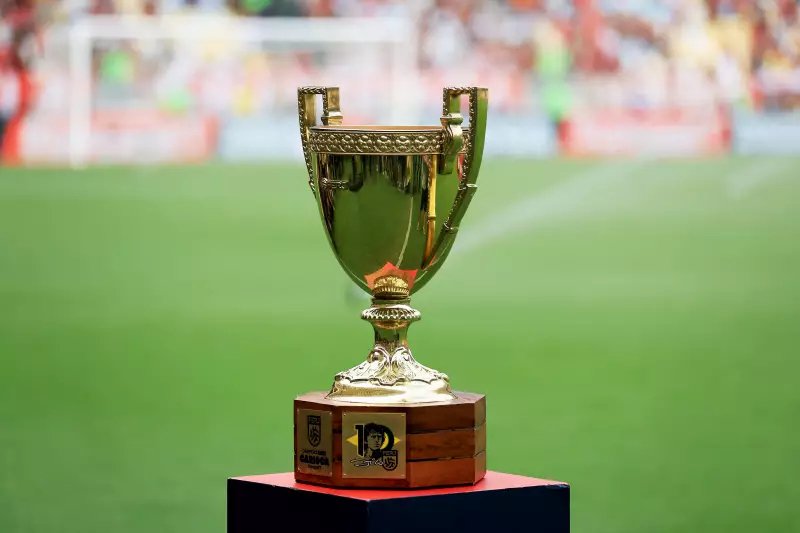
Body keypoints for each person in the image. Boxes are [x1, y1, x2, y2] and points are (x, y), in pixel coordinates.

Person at [0, 0, 40, 165]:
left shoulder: (25, 43)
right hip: (7, 93)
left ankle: (9, 157)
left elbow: (24, 64)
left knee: (11, 129)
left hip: (12, 96)